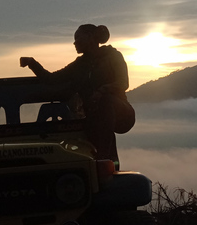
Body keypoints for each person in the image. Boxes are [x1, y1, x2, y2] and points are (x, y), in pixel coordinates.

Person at [20, 24, 135, 165]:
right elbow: (52, 79)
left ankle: (103, 158)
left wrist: (101, 91)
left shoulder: (113, 56)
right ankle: (107, 165)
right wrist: (32, 63)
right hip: (96, 117)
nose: (75, 43)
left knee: (106, 103)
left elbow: (123, 83)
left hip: (122, 113)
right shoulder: (80, 64)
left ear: (90, 38)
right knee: (96, 124)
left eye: (78, 38)